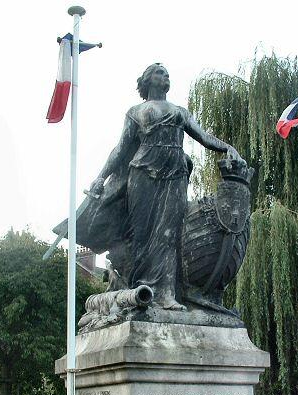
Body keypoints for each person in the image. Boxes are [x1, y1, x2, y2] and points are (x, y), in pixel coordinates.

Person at [89, 64, 246, 310]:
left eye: (168, 74)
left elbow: (204, 137)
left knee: (170, 235)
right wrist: (100, 177)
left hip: (174, 174)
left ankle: (166, 294)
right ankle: (142, 289)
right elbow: (120, 150)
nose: (166, 77)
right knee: (143, 234)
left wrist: (227, 147)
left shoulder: (179, 112)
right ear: (148, 80)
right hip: (142, 174)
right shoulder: (136, 112)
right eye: (160, 73)